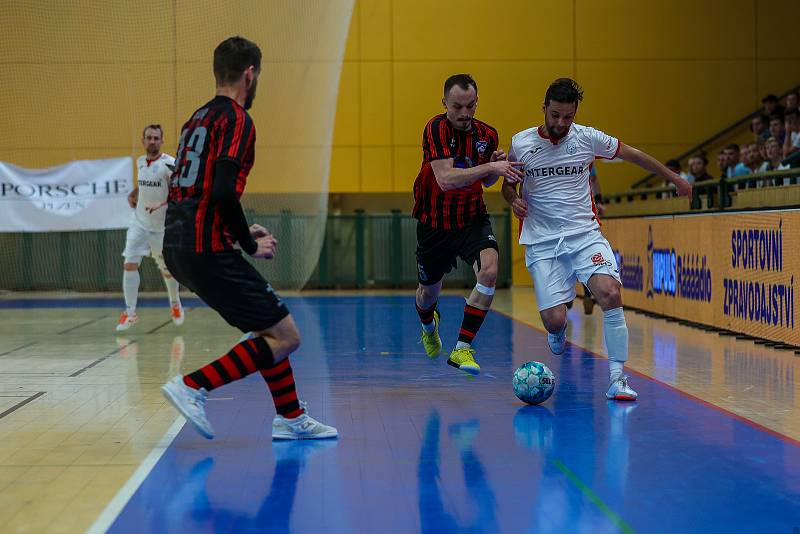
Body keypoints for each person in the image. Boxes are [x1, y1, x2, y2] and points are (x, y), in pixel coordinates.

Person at [160, 36, 337, 440]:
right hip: (206, 249)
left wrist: (236, 230)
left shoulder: (196, 118)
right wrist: (249, 242)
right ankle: (192, 386)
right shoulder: (237, 120)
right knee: (287, 336)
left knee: (267, 328)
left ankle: (290, 418)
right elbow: (222, 190)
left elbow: (197, 190)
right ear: (250, 74)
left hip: (180, 245)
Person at [501, 78, 691, 401]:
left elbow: (633, 155)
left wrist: (674, 178)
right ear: (544, 108)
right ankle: (558, 330)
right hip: (542, 242)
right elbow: (508, 186)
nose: (561, 123)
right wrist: (512, 200)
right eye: (556, 115)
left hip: (585, 235)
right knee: (554, 320)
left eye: (568, 117)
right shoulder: (521, 143)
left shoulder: (588, 138)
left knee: (610, 292)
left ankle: (617, 379)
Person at [412, 73, 524, 375]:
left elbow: (485, 180)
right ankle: (428, 325)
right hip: (434, 225)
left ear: (477, 103)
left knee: (489, 272)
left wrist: (495, 167)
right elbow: (446, 180)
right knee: (427, 296)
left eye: (470, 106)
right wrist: (491, 166)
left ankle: (462, 348)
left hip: (471, 220)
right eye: (457, 107)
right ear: (445, 104)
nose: (464, 114)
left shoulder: (487, 134)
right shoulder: (435, 128)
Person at [116, 125, 184, 331]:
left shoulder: (169, 164)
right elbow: (146, 184)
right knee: (130, 263)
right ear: (143, 140)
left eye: (156, 138)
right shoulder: (140, 163)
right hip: (139, 222)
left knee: (167, 270)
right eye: (149, 138)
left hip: (161, 228)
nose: (152, 141)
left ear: (162, 141)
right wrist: (135, 193)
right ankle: (130, 312)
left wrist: (161, 205)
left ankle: (175, 303)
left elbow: (179, 192)